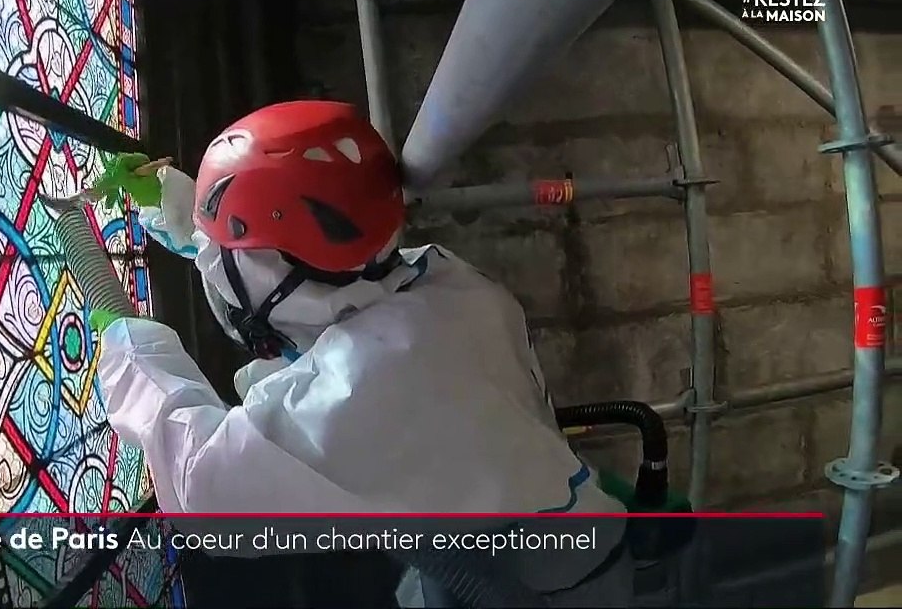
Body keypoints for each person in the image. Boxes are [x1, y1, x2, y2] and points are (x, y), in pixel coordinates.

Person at [88, 100, 633, 607]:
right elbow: (309, 292)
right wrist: (182, 210)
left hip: (530, 591)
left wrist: (128, 349)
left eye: (227, 249)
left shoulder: (364, 386)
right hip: (561, 547)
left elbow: (203, 489)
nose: (217, 263)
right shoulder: (441, 282)